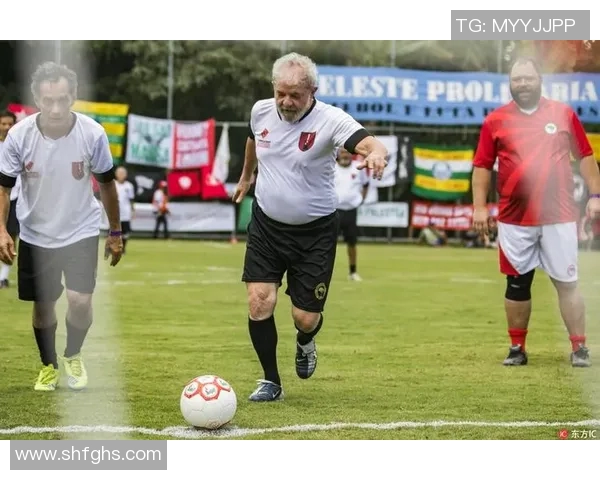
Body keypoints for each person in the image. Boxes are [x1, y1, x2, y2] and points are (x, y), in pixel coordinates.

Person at [232, 52, 388, 402]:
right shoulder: (260, 111)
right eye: (280, 93)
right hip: (266, 226)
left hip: (315, 232)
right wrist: (246, 176)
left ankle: (305, 341)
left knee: (304, 317)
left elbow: (369, 143)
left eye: (295, 95)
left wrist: (377, 154)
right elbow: (252, 139)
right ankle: (271, 381)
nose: (286, 102)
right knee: (258, 301)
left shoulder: (331, 120)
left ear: (312, 91)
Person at [0, 61, 123, 391]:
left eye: (62, 100)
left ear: (74, 96)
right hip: (36, 233)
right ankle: (48, 365)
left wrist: (115, 231)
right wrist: (1, 230)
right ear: (36, 99)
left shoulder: (92, 134)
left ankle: (73, 354)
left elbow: (107, 185)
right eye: (48, 100)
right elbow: (4, 188)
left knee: (80, 301)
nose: (55, 108)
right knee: (44, 306)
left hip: (81, 229)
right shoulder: (18, 136)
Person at [471, 56, 600, 368]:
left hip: (559, 216)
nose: (523, 84)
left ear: (540, 80)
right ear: (510, 84)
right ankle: (517, 348)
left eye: (528, 78)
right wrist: (479, 207)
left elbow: (585, 156)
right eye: (517, 79)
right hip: (514, 219)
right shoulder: (495, 120)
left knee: (567, 282)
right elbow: (482, 166)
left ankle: (579, 348)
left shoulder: (563, 113)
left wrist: (595, 195)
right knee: (516, 284)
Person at [334, 147, 369, 281]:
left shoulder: (358, 167)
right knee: (329, 243)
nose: (345, 155)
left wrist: (361, 199)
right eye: (343, 152)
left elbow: (366, 184)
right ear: (338, 154)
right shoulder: (332, 168)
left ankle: (353, 272)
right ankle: (324, 271)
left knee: (352, 243)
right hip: (334, 211)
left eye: (348, 152)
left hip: (351, 211)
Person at [0, 110, 17, 288]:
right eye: (3, 124)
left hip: (14, 199)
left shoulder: (19, 145)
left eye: (10, 124)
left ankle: (3, 277)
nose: (6, 127)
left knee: (11, 236)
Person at [115, 166, 135, 253]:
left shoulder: (129, 186)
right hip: (115, 212)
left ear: (126, 175)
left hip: (125, 212)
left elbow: (131, 199)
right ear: (116, 174)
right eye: (119, 173)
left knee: (125, 232)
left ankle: (123, 248)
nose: (121, 175)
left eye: (123, 173)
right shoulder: (113, 184)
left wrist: (133, 210)